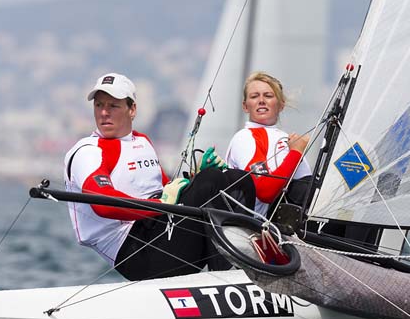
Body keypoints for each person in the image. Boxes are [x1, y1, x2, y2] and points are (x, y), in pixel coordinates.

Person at [64, 72, 255, 280]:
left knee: (237, 179)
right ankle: (229, 278)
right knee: (211, 181)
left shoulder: (142, 141)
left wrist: (193, 178)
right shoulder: (88, 151)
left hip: (161, 231)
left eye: (113, 106)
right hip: (135, 252)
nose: (104, 113)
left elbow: (166, 189)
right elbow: (103, 204)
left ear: (132, 109)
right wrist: (161, 203)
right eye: (99, 105)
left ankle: (245, 259)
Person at [225, 72, 312, 219]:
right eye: (254, 96)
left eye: (268, 96)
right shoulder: (245, 137)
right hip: (255, 226)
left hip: (289, 227)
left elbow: (306, 191)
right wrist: (296, 153)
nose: (261, 101)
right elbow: (265, 191)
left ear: (281, 104)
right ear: (245, 106)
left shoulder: (289, 139)